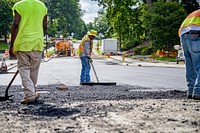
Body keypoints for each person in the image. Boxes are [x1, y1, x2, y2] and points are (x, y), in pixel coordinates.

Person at [10, 0, 47, 104]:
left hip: (22, 42)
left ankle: (30, 95)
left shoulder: (19, 5)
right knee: (34, 69)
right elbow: (45, 25)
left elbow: (16, 24)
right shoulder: (42, 6)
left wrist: (12, 44)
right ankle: (32, 91)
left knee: (24, 69)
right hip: (37, 43)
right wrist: (38, 35)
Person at [179, 9, 200, 100]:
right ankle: (198, 91)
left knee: (190, 66)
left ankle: (190, 91)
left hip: (184, 37)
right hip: (196, 36)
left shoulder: (194, 14)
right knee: (199, 66)